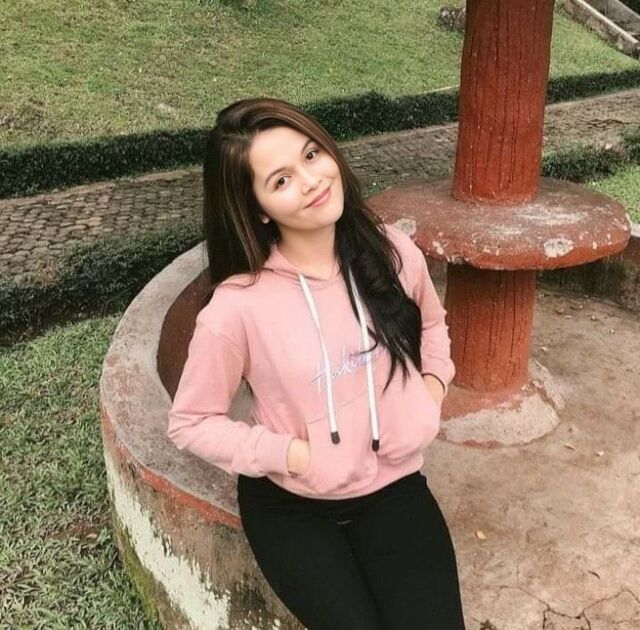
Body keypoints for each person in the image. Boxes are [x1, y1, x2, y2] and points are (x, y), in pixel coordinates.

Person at [167, 97, 466, 629]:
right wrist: (293, 454)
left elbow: (434, 326)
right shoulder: (236, 308)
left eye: (311, 155)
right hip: (292, 505)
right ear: (259, 208)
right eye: (280, 180)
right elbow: (190, 422)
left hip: (393, 486)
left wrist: (430, 391)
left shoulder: (394, 253)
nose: (310, 181)